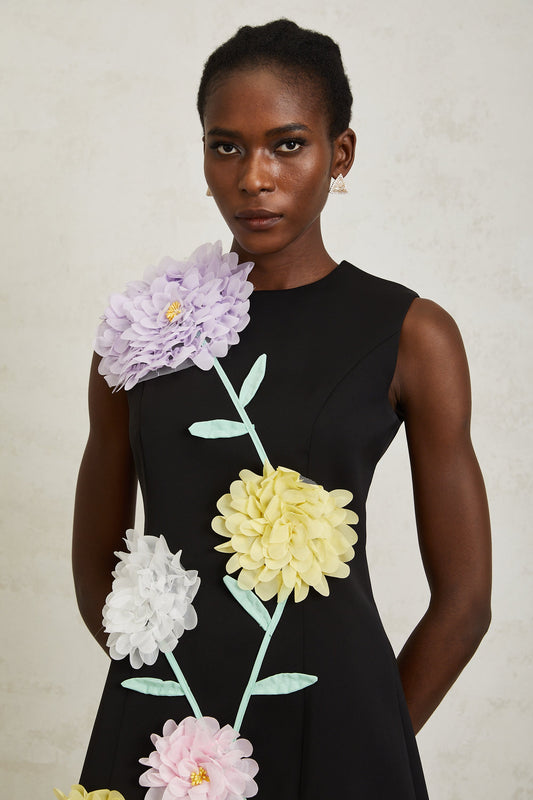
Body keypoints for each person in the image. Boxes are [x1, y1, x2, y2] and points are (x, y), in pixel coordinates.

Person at [73, 19, 492, 800]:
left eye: (287, 145)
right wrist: (166, 692)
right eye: (226, 146)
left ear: (340, 154)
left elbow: (465, 603)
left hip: (338, 745)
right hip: (170, 746)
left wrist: (363, 742)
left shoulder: (411, 334)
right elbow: (94, 562)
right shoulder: (139, 331)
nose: (253, 178)